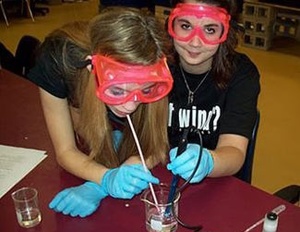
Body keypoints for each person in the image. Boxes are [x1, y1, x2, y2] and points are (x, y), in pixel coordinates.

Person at [27, 7, 173, 217]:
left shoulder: (157, 65)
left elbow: (154, 144)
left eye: (146, 89)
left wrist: (131, 167)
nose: (130, 106)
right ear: (91, 68)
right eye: (117, 90)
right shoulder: (59, 60)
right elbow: (65, 150)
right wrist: (105, 178)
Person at [166, 0, 260, 183]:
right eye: (185, 26)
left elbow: (234, 150)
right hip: (160, 180)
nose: (195, 42)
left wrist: (208, 161)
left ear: (225, 32)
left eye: (210, 30)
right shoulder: (154, 66)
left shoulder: (241, 74)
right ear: (171, 24)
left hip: (218, 182)